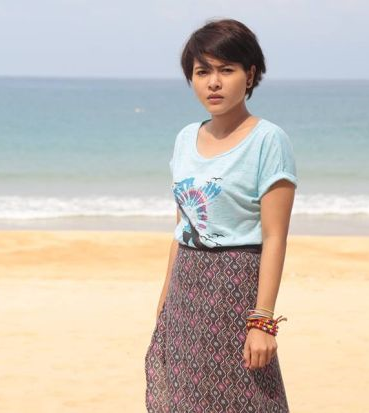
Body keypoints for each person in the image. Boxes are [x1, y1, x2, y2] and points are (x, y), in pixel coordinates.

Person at [144, 18, 297, 412]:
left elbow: (275, 237)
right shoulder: (184, 138)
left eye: (226, 70)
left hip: (236, 289)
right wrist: (164, 302)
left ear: (251, 75)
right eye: (202, 72)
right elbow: (183, 226)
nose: (213, 83)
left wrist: (262, 321)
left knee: (250, 400)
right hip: (185, 289)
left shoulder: (268, 140)